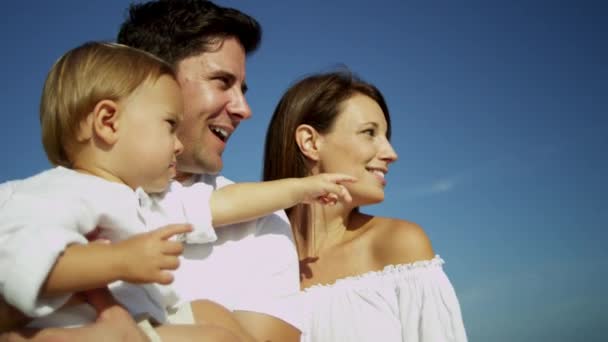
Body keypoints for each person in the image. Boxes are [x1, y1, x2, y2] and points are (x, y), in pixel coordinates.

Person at [0, 41, 354, 341]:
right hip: (80, 330)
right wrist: (120, 261)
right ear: (108, 123)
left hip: (142, 327)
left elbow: (224, 204)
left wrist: (301, 187)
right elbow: (23, 261)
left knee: (209, 313)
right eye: (169, 125)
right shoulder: (51, 193)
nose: (178, 145)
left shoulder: (144, 199)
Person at [263, 70, 469, 341]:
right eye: (369, 133)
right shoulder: (255, 258)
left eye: (386, 136)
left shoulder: (399, 245)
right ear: (310, 142)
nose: (390, 154)